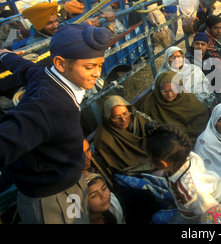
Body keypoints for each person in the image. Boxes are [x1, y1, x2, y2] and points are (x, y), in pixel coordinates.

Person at [0, 23, 110, 223]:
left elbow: (25, 68)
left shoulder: (47, 76)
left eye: (99, 65)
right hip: (51, 200)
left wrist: (5, 55)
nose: (97, 73)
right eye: (89, 66)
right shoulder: (45, 106)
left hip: (71, 183)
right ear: (60, 64)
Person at [145, 121, 221, 223]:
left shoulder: (190, 191)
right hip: (198, 199)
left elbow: (211, 213)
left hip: (204, 209)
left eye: (151, 158)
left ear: (162, 163)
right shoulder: (187, 155)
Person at [141, 71, 210, 145]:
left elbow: (201, 119)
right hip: (162, 140)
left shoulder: (188, 99)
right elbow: (144, 121)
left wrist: (179, 132)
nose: (169, 94)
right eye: (164, 91)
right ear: (158, 89)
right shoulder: (152, 100)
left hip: (186, 136)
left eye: (174, 90)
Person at [93, 95, 154, 176]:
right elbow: (118, 166)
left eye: (125, 113)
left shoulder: (137, 118)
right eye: (116, 117)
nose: (123, 119)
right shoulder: (103, 138)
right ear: (108, 119)